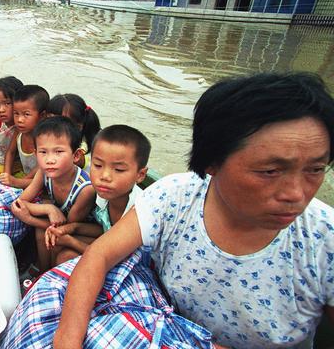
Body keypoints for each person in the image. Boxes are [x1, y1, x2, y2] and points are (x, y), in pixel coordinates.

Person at [54, 73, 334, 349]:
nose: (296, 194)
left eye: (315, 169)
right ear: (212, 162)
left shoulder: (325, 239)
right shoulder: (174, 197)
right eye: (270, 171)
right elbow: (99, 255)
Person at [45, 124, 149, 265]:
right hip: (110, 246)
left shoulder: (138, 211)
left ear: (140, 175)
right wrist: (71, 228)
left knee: (66, 254)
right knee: (58, 240)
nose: (105, 176)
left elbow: (112, 255)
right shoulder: (103, 195)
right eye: (98, 166)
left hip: (132, 262)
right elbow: (106, 229)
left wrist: (71, 240)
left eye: (118, 170)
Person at [11, 116, 96, 271]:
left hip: (81, 231)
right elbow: (20, 202)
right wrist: (49, 209)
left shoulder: (85, 190)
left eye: (58, 152)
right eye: (43, 152)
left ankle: (49, 274)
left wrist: (29, 218)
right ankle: (43, 272)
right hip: (60, 224)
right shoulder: (44, 172)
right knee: (43, 224)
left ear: (76, 155)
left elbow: (65, 229)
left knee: (54, 239)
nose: (50, 160)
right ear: (36, 153)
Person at [0, 84, 49, 189]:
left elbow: (42, 168)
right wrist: (6, 174)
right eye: (16, 114)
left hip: (43, 180)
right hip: (25, 177)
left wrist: (17, 182)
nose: (19, 120)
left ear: (42, 116)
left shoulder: (46, 138)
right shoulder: (18, 132)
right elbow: (10, 152)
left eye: (26, 114)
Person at [46, 94, 101, 171]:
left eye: (59, 122)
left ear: (79, 126)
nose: (51, 125)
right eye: (49, 119)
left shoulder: (80, 149)